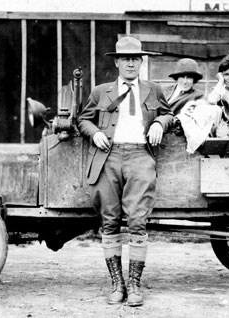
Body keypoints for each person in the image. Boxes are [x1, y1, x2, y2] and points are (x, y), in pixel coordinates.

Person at [77, 36, 173, 307]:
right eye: (126, 59)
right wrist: (94, 133)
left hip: (140, 156)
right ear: (117, 62)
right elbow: (83, 120)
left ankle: (135, 285)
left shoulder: (153, 89)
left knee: (137, 221)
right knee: (109, 221)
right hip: (109, 157)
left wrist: (159, 123)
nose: (131, 63)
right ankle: (117, 285)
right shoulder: (101, 91)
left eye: (136, 59)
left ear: (141, 63)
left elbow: (168, 114)